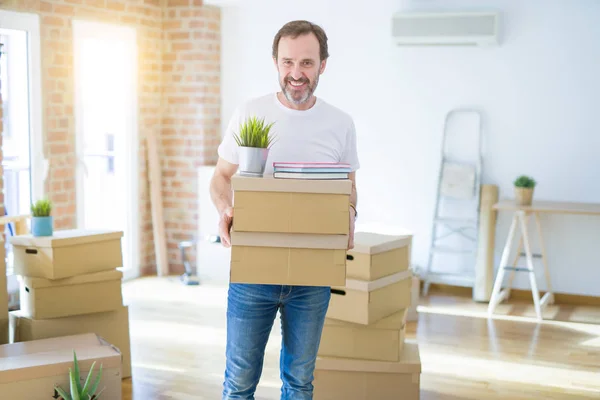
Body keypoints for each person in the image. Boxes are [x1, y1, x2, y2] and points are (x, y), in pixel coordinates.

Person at [210, 19, 360, 400]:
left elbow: (350, 191)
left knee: (299, 382)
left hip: (312, 279)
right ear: (276, 63)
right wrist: (225, 210)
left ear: (323, 64)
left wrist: (350, 218)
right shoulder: (250, 112)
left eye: (307, 63)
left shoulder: (340, 124)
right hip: (253, 274)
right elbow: (221, 177)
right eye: (288, 62)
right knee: (239, 383)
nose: (296, 73)